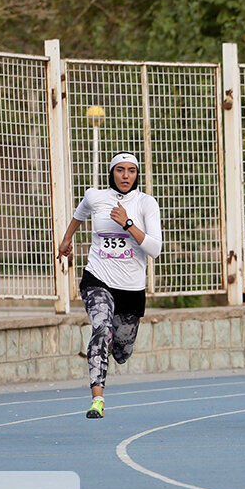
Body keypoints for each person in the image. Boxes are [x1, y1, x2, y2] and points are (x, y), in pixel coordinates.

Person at [56, 151, 162, 419]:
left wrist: (127, 223)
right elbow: (79, 215)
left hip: (131, 288)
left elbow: (155, 249)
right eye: (120, 170)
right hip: (98, 278)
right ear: (111, 172)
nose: (126, 176)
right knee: (101, 329)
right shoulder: (95, 196)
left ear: (137, 174)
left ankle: (110, 347)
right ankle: (98, 399)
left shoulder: (146, 203)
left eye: (131, 171)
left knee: (122, 351)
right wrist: (67, 239)